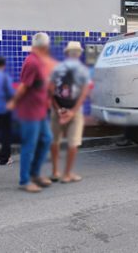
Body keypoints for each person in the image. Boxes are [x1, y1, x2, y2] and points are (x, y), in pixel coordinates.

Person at [7, 32, 53, 193]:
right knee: (29, 145)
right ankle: (24, 180)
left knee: (47, 139)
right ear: (43, 46)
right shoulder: (32, 62)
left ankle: (34, 174)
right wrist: (13, 103)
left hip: (40, 110)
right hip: (30, 112)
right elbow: (24, 86)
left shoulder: (39, 61)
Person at [49, 42, 91, 183]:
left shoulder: (57, 68)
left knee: (55, 141)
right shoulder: (83, 70)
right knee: (73, 142)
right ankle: (67, 174)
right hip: (74, 111)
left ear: (66, 53)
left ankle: (55, 172)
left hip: (57, 109)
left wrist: (58, 110)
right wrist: (72, 111)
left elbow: (49, 90)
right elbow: (84, 93)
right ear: (79, 54)